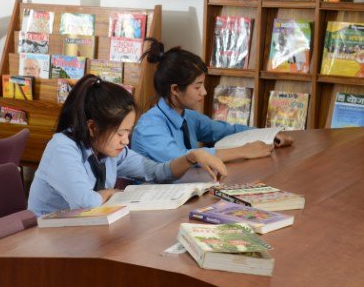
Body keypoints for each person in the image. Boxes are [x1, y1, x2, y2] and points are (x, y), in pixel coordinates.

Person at [27, 75, 227, 216]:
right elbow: (84, 203)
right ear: (93, 127)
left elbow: (156, 172)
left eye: (128, 132)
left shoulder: (108, 150)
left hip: (86, 233)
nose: (126, 140)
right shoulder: (63, 147)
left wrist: (191, 157)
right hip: (50, 242)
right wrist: (109, 193)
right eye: (120, 133)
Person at [132, 40, 293, 165]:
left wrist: (269, 135)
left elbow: (227, 130)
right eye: (197, 86)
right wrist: (243, 151)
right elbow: (184, 159)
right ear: (175, 89)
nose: (204, 92)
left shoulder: (188, 117)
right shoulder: (149, 126)